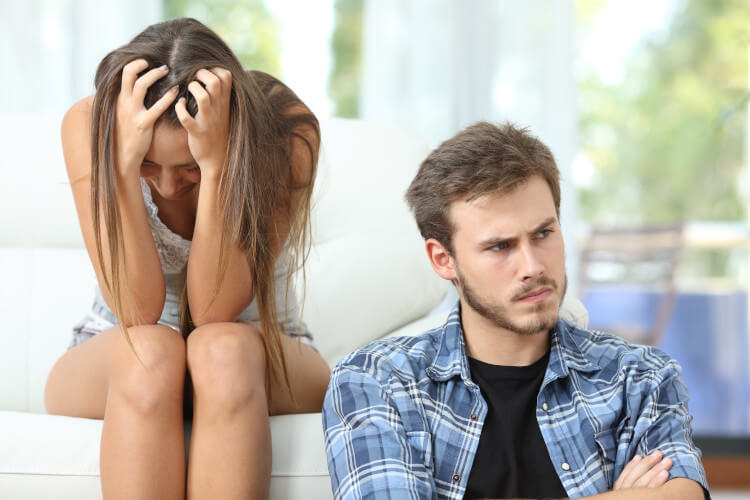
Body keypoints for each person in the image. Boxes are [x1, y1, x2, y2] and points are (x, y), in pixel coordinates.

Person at [322, 122, 709, 499]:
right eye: (500, 246)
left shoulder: (639, 378)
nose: (532, 266)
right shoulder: (376, 383)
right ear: (443, 260)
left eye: (543, 234)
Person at [44, 18, 331, 500]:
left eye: (188, 169)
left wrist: (219, 165)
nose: (169, 186)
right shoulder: (90, 123)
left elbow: (215, 311)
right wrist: (123, 164)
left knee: (220, 348)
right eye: (151, 166)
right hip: (121, 350)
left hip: (263, 349)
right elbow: (136, 311)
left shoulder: (284, 130)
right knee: (152, 351)